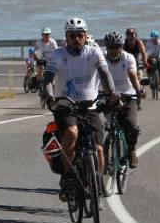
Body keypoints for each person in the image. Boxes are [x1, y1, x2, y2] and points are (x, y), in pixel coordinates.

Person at [43, 17, 118, 200]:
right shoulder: (57, 54)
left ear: (86, 36)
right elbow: (48, 79)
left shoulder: (94, 52)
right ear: (66, 37)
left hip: (89, 106)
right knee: (72, 132)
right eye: (72, 36)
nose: (76, 39)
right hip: (65, 106)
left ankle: (97, 181)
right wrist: (50, 96)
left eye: (80, 35)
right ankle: (68, 177)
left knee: (99, 150)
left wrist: (112, 93)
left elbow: (104, 73)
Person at [101, 32, 142, 167]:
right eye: (110, 47)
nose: (113, 50)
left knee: (131, 125)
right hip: (107, 95)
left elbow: (132, 75)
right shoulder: (101, 58)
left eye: (116, 47)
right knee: (103, 126)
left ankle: (131, 150)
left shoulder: (128, 58)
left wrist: (138, 90)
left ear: (121, 46)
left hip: (127, 95)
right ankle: (104, 156)